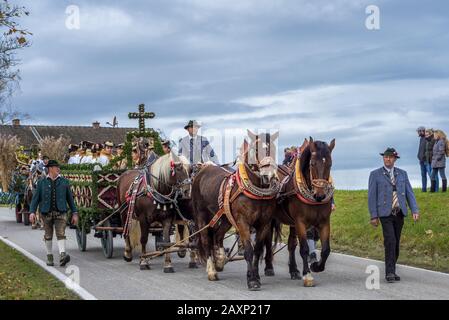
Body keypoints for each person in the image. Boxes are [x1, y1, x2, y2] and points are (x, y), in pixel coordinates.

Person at [368, 148, 420, 283]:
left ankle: (393, 269)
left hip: (399, 212)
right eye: (385, 157)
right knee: (390, 241)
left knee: (396, 243)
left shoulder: (402, 174)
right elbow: (371, 197)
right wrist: (373, 216)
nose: (388, 159)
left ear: (395, 159)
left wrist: (415, 210)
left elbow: (409, 193)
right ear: (383, 158)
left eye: (390, 157)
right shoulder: (375, 174)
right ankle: (389, 272)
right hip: (385, 213)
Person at [29, 160, 78, 267]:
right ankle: (49, 256)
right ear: (50, 168)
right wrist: (32, 212)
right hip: (46, 213)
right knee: (48, 235)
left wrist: (74, 212)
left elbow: (70, 199)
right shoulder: (41, 182)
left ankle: (62, 255)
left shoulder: (64, 182)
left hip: (61, 212)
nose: (58, 169)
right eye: (56, 167)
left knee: (61, 233)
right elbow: (35, 199)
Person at [416, 127, 428, 192]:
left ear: (422, 131)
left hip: (426, 160)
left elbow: (427, 149)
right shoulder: (421, 139)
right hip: (421, 160)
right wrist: (418, 156)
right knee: (423, 175)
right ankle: (424, 189)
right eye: (418, 132)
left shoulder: (427, 138)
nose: (418, 133)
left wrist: (424, 156)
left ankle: (434, 188)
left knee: (430, 174)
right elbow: (420, 149)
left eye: (419, 131)